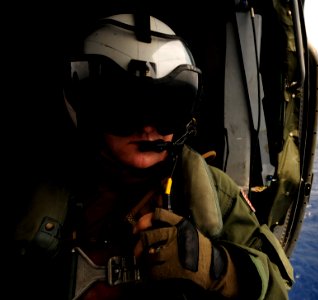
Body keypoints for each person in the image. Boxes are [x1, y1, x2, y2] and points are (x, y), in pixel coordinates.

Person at [13, 13, 294, 300]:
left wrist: (219, 269)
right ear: (86, 109)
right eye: (124, 106)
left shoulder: (212, 192)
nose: (148, 128)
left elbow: (277, 284)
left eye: (167, 108)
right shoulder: (37, 186)